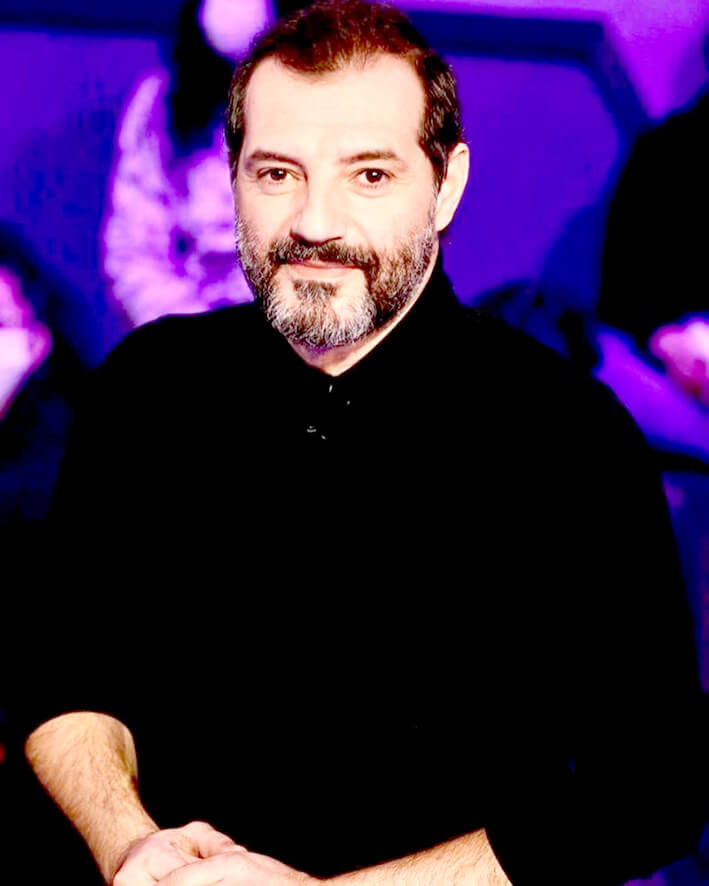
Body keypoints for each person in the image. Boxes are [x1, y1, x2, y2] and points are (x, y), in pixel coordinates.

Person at [21, 2, 706, 885]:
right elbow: (59, 677)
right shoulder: (145, 387)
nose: (315, 221)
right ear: (232, 178)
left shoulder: (567, 434)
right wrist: (129, 843)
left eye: (369, 175)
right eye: (277, 173)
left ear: (446, 185)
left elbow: (651, 788)